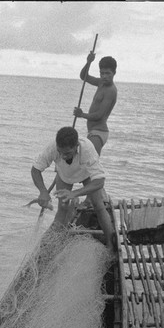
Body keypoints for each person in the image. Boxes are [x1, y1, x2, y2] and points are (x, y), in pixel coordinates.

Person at [31, 126, 115, 252]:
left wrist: (74, 193)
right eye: (60, 152)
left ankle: (112, 245)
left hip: (87, 174)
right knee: (63, 208)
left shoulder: (87, 148)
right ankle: (51, 246)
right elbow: (35, 170)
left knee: (99, 206)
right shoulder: (52, 148)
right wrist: (43, 191)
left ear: (76, 146)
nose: (63, 156)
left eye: (68, 153)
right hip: (64, 175)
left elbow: (99, 182)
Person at [73, 53, 117, 208]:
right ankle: (97, 196)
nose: (105, 76)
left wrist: (81, 114)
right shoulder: (100, 84)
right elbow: (83, 76)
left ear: (114, 73)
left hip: (99, 133)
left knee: (91, 167)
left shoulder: (111, 90)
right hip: (93, 132)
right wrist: (88, 62)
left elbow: (99, 115)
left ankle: (90, 200)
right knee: (89, 165)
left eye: (108, 73)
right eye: (102, 73)